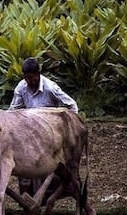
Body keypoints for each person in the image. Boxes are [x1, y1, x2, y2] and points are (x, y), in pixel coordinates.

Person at [9, 57, 79, 197]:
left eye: (31, 77)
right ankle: (29, 197)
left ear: (37, 74)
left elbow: (72, 105)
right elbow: (12, 110)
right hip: (30, 133)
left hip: (49, 133)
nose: (29, 81)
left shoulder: (50, 87)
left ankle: (58, 192)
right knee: (24, 163)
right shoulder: (22, 87)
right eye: (26, 78)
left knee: (51, 166)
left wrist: (71, 126)